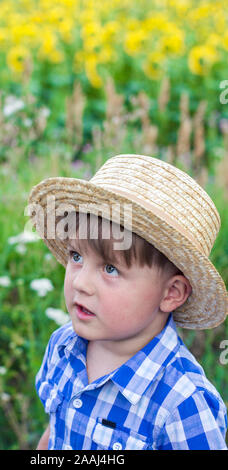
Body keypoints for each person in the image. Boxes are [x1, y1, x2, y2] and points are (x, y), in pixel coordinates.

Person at [27, 154, 228, 450]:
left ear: (171, 293)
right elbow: (57, 431)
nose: (80, 282)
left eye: (110, 269)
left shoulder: (182, 404)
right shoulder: (63, 346)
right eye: (76, 256)